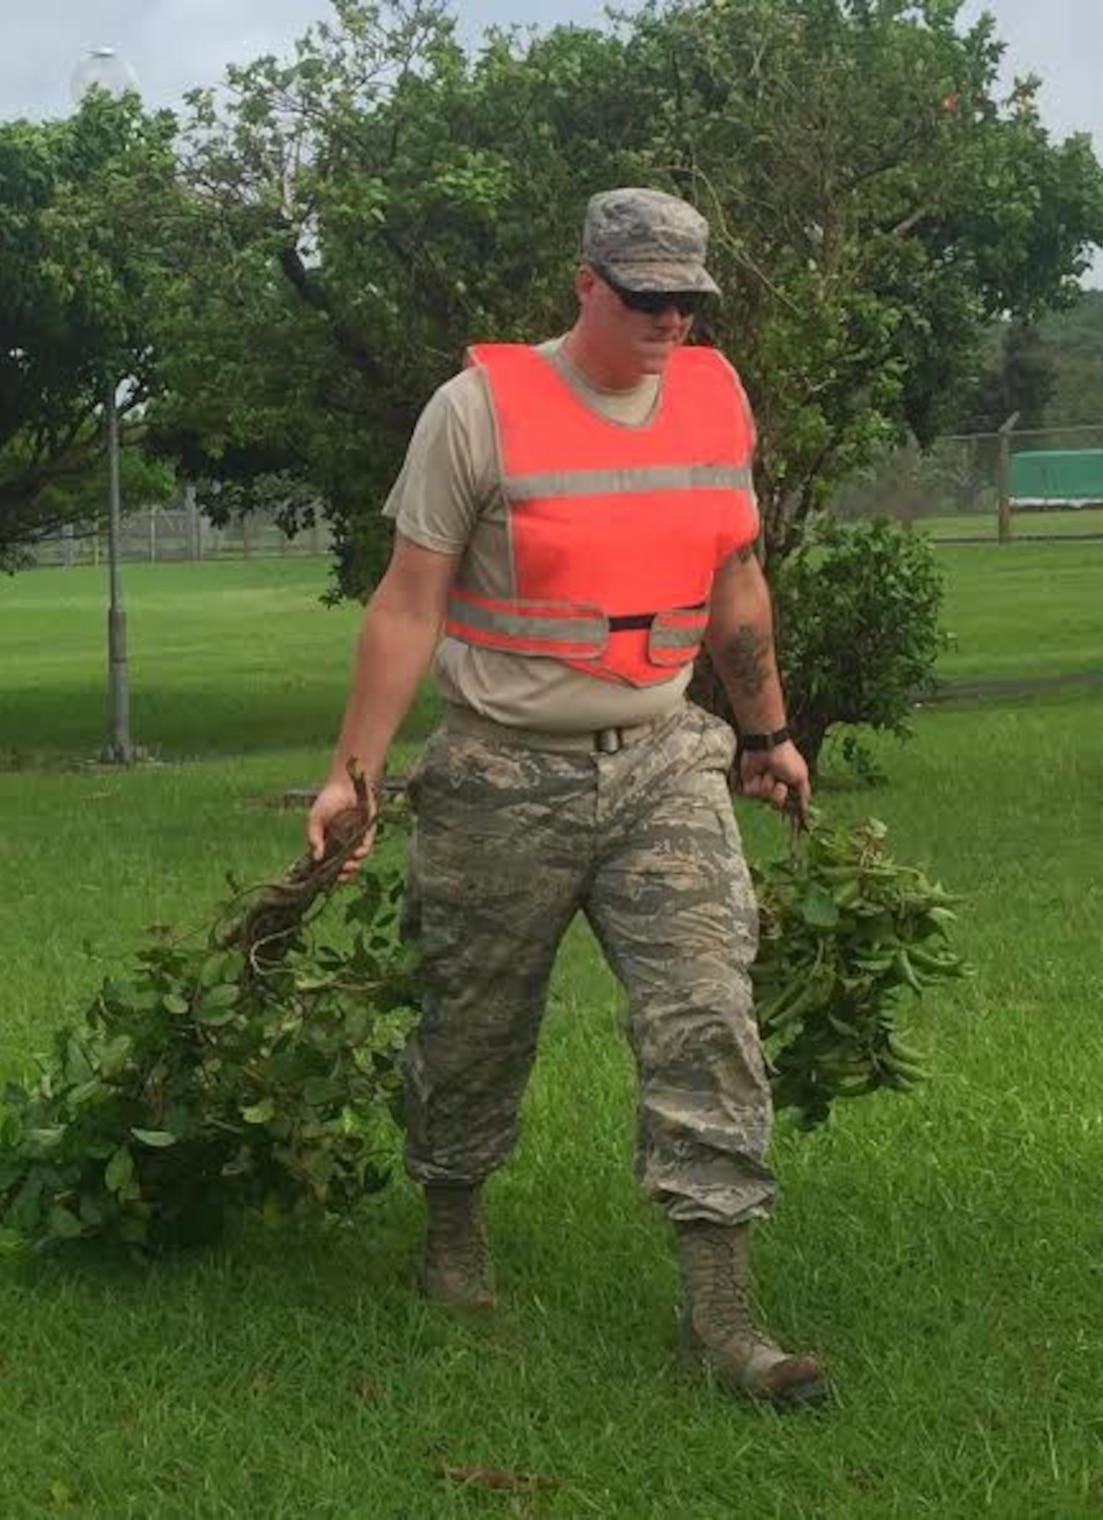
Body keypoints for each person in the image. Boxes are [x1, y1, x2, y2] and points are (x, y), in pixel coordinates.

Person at [304, 188, 825, 1407]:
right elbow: (406, 600)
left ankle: (721, 1310)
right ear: (582, 279)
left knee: (706, 1011)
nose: (665, 319)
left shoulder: (713, 391)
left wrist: (766, 730)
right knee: (472, 1025)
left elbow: (735, 573)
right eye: (641, 295)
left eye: (685, 299)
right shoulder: (475, 409)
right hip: (501, 769)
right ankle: (450, 1216)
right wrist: (354, 774)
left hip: (662, 757)